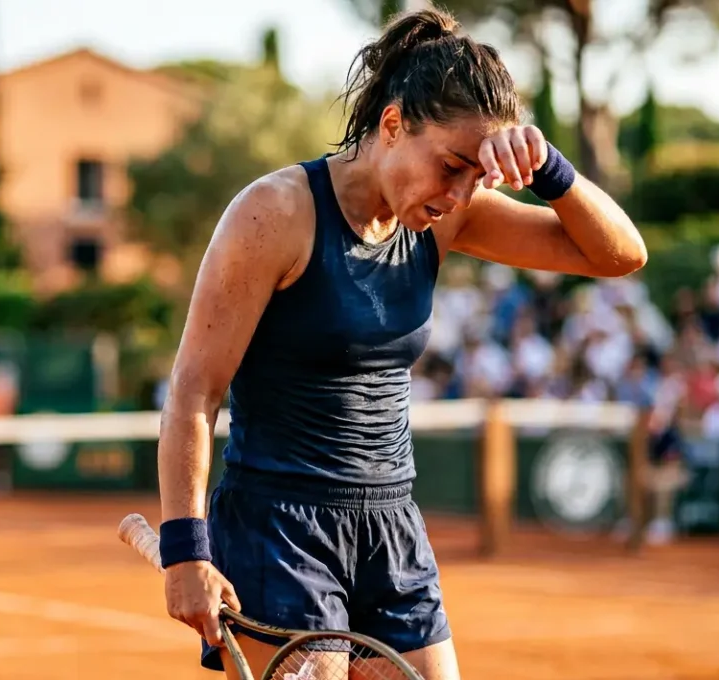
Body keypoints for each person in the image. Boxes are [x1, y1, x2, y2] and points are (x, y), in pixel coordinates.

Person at [154, 7, 647, 680]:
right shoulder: (274, 214)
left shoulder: (445, 218)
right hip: (279, 530)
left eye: (479, 174)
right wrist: (186, 550)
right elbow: (193, 391)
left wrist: (549, 168)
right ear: (392, 124)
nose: (461, 191)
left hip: (394, 527)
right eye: (451, 165)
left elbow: (618, 255)